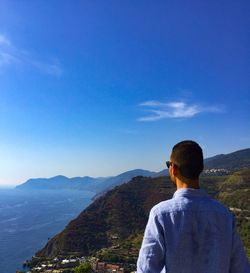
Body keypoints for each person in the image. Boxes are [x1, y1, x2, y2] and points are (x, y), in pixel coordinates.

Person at [137, 140, 249, 273]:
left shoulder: (160, 214)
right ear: (200, 169)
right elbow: (240, 268)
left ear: (173, 169)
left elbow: (146, 269)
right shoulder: (225, 215)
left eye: (168, 165)